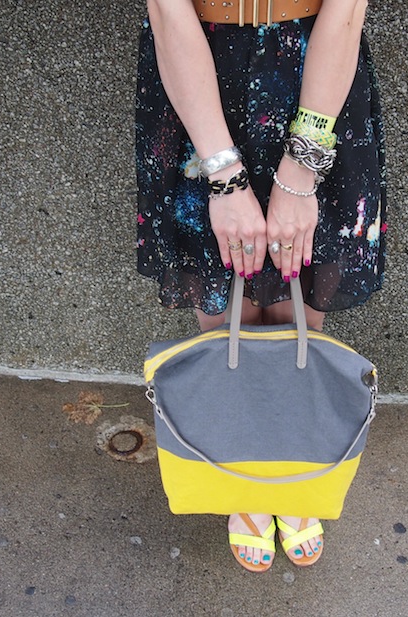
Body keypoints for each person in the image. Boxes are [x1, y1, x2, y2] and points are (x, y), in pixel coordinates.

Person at [136, 0, 387, 572]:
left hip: (316, 78)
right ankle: (241, 470)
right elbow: (168, 12)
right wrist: (223, 176)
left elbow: (346, 11)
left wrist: (302, 170)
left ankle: (293, 466)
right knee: (220, 288)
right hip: (197, 75)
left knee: (302, 292)